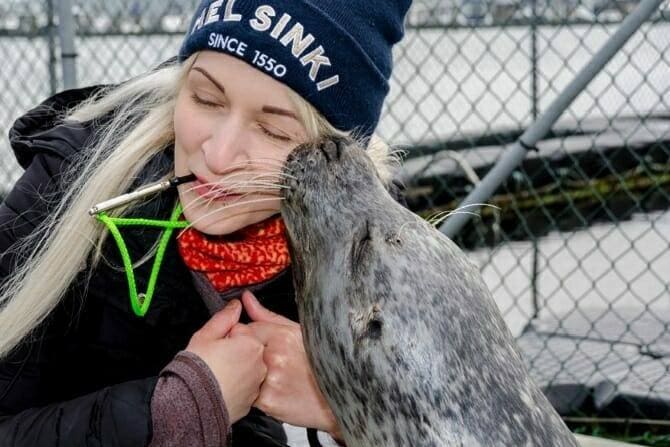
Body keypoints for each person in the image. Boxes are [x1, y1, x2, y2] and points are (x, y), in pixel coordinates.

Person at [0, 0, 411, 445]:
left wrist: (347, 407)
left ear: (335, 157)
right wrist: (180, 409)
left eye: (275, 131)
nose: (217, 156)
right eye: (205, 98)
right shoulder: (69, 177)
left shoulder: (371, 256)